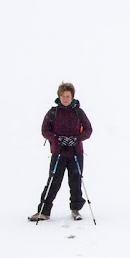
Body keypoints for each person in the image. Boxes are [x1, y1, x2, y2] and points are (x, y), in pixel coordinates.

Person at [28, 82, 93, 221]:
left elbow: (88, 130)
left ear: (72, 97)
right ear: (59, 96)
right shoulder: (53, 112)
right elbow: (45, 130)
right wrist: (57, 139)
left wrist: (76, 139)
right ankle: (44, 212)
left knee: (76, 181)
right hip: (59, 153)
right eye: (63, 96)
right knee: (53, 181)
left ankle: (75, 210)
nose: (65, 98)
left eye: (68, 96)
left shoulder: (78, 112)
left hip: (76, 153)